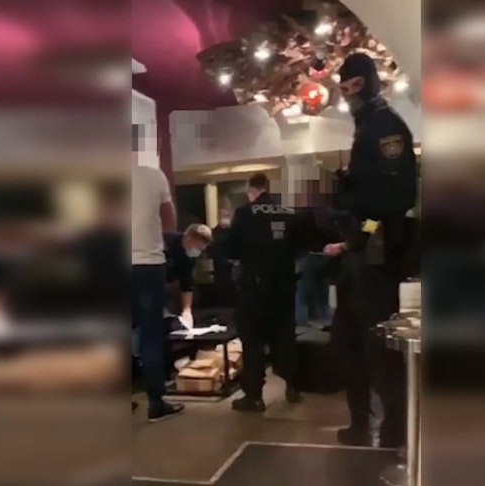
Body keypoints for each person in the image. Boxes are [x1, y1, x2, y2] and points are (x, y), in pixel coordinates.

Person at [325, 52, 419, 447]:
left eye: (356, 86)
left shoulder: (384, 126)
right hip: (362, 251)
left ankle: (396, 428)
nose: (350, 95)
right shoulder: (367, 127)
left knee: (380, 350)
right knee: (347, 344)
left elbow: (395, 199)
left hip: (378, 253)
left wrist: (351, 206)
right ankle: (361, 423)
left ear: (370, 82)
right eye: (345, 88)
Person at [226, 173, 306, 412]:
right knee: (285, 336)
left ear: (252, 189)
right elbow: (300, 247)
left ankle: (254, 396)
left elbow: (231, 248)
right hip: (284, 286)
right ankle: (293, 386)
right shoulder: (292, 213)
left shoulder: (245, 213)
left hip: (254, 287)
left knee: (253, 341)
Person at [131, 162, 185, 422]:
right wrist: (160, 242)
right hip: (148, 265)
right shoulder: (153, 176)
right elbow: (169, 219)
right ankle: (155, 402)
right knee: (151, 334)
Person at [163, 224, 213, 327]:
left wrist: (187, 311)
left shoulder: (189, 258)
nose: (198, 252)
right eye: (198, 247)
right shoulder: (166, 243)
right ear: (189, 238)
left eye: (201, 249)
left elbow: (187, 284)